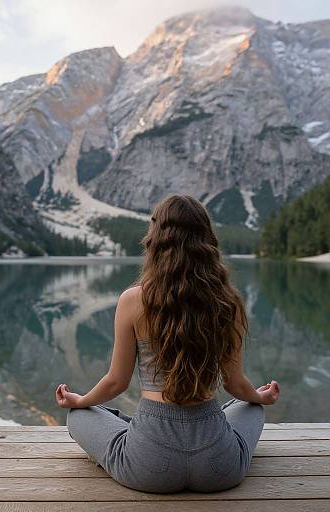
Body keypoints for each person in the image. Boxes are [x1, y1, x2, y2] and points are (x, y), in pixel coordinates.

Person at [55, 194, 280, 493]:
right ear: (207, 239)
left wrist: (81, 402)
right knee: (250, 407)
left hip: (149, 466)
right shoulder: (229, 303)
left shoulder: (133, 300)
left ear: (156, 239)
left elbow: (116, 383)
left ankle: (127, 426)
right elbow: (235, 384)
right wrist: (259, 397)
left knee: (79, 417)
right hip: (218, 467)